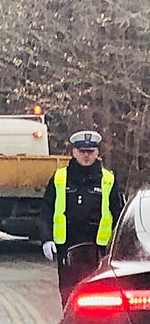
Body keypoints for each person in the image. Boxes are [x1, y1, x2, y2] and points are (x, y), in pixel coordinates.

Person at [38, 130, 123, 309]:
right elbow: (46, 210)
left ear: (97, 153)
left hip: (98, 249)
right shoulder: (60, 178)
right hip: (67, 247)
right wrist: (46, 239)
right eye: (82, 151)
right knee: (68, 295)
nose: (86, 156)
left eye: (90, 152)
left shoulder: (108, 179)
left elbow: (119, 214)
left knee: (96, 297)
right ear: (74, 152)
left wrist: (120, 246)